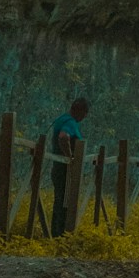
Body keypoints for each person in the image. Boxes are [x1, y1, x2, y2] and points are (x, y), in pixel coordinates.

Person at [48, 95, 88, 236]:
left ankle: (56, 233)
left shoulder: (61, 119)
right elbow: (63, 136)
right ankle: (61, 235)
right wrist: (70, 156)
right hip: (65, 169)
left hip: (58, 168)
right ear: (80, 111)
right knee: (64, 202)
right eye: (84, 115)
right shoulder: (70, 122)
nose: (83, 118)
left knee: (59, 201)